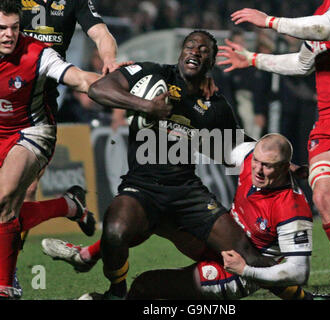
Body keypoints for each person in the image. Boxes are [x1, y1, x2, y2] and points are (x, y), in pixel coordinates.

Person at [45, 29, 283, 300]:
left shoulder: (213, 103)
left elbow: (234, 146)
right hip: (142, 187)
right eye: (190, 46)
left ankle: (302, 295)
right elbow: (99, 89)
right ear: (181, 52)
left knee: (246, 253)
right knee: (115, 231)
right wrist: (144, 106)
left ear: (211, 62)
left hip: (187, 192)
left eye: (203, 50)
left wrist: (283, 163)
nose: (195, 51)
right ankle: (116, 293)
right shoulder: (153, 74)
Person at [217, 2, 330, 300]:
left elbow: (327, 27)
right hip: (329, 121)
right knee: (325, 198)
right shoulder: (322, 8)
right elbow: (304, 63)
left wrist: (269, 21)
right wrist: (253, 59)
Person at [122, 134, 330, 300]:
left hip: (239, 271)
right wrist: (185, 135)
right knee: (154, 214)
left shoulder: (292, 208)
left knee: (145, 285)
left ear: (284, 168)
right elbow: (215, 143)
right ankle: (96, 255)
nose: (257, 170)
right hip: (222, 238)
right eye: (257, 161)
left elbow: (299, 271)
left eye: (268, 166)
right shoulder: (251, 158)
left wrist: (245, 270)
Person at [0, 0, 106, 299]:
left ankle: (7, 280)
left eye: (14, 28)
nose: (9, 35)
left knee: (11, 195)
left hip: (33, 124)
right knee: (7, 206)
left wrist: (121, 81)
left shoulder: (38, 52)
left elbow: (82, 77)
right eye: (2, 28)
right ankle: (68, 205)